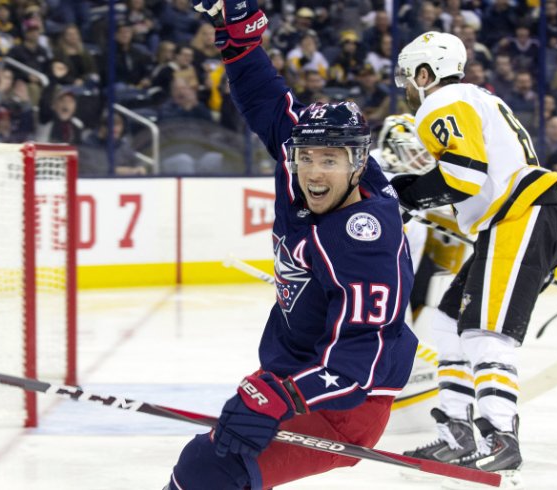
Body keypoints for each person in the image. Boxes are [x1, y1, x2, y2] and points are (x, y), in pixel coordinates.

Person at [167, 1, 418, 488]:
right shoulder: (299, 168)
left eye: (330, 159)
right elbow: (269, 104)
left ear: (358, 163)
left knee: (211, 465)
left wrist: (281, 395)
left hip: (345, 405)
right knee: (215, 465)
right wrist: (239, 42)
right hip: (295, 374)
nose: (315, 171)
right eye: (307, 158)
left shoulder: (365, 238)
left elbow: (358, 359)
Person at [392, 31, 557, 484]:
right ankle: (459, 434)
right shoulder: (475, 98)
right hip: (514, 224)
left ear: (425, 73)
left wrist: (404, 195)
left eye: (409, 78)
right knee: (448, 324)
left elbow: (464, 178)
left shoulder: (442, 102)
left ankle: (500, 441)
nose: (407, 89)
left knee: (485, 335)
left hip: (520, 222)